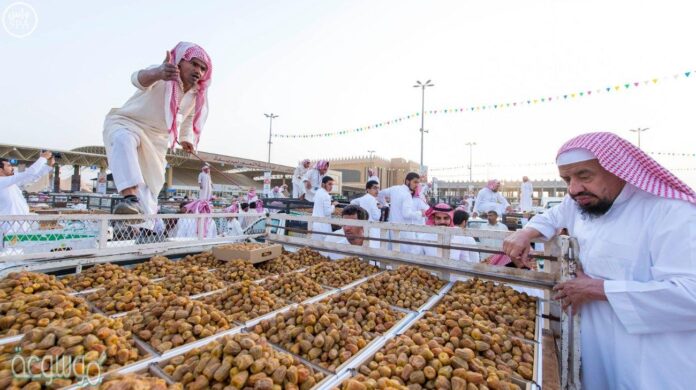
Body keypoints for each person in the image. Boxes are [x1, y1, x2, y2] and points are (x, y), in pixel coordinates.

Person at [502, 132, 696, 389]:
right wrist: (525, 233)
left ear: (619, 169)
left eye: (584, 175)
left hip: (653, 363)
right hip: (595, 352)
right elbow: (553, 215)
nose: (573, 189)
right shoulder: (583, 202)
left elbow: (690, 295)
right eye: (566, 179)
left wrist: (597, 289)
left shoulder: (672, 213)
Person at [103, 42, 212, 221]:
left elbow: (188, 120)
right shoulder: (162, 73)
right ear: (180, 62)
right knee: (124, 140)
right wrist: (158, 73)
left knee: (151, 184)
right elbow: (136, 79)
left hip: (157, 139)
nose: (198, 71)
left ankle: (141, 228)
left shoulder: (195, 95)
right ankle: (129, 197)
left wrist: (186, 139)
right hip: (128, 122)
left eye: (202, 68)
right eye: (194, 63)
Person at [378, 172, 427, 253]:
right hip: (404, 231)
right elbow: (406, 214)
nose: (417, 185)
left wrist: (384, 205)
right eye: (415, 182)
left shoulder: (394, 189)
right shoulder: (407, 195)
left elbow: (380, 193)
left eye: (418, 182)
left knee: (394, 254)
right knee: (405, 258)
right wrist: (420, 213)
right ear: (407, 181)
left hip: (393, 229)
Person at [350, 180, 382, 248]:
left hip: (363, 227)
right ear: (368, 189)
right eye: (374, 188)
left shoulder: (362, 198)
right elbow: (377, 217)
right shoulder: (373, 200)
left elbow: (352, 202)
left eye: (378, 188)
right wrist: (379, 208)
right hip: (373, 228)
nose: (377, 190)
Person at [311, 176, 339, 241]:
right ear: (323, 184)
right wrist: (333, 205)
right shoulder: (326, 195)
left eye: (332, 184)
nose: (331, 186)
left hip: (315, 224)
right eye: (329, 184)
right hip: (323, 226)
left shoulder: (318, 192)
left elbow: (314, 199)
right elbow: (327, 212)